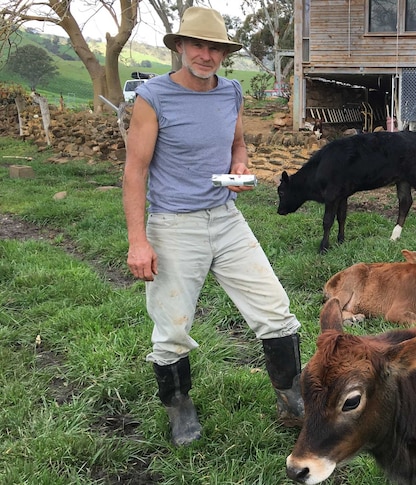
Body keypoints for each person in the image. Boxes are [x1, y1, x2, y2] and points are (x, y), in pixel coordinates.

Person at [122, 6, 303, 446]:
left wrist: (239, 164)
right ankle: (179, 405)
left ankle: (291, 396)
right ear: (180, 47)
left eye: (215, 48)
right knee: (172, 327)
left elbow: (237, 142)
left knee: (276, 312)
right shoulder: (153, 97)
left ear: (223, 53)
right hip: (173, 224)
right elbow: (134, 171)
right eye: (197, 45)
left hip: (226, 219)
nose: (205, 55)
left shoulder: (232, 93)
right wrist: (138, 241)